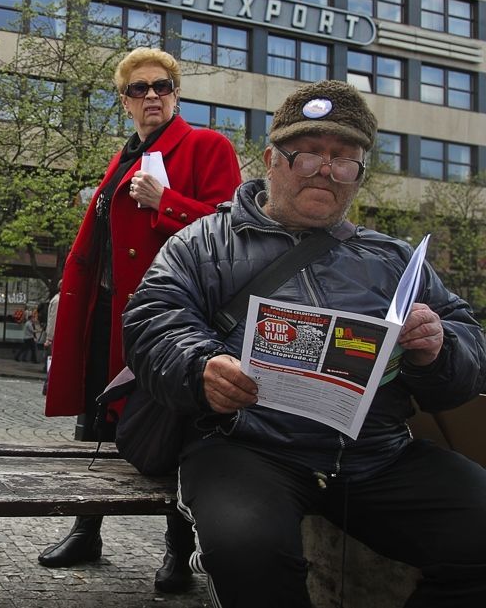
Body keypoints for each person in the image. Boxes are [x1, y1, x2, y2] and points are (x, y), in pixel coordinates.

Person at [123, 80, 486, 607]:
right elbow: (152, 320)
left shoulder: (394, 258)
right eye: (309, 154)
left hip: (376, 453)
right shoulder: (202, 241)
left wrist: (440, 346)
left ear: (358, 175)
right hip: (246, 447)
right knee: (250, 551)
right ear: (272, 159)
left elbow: (470, 354)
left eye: (345, 160)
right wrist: (201, 366)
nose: (326, 170)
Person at [40, 47, 242, 593]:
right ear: (125, 101)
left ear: (176, 94)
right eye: (139, 89)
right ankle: (87, 530)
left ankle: (179, 553)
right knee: (100, 421)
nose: (151, 96)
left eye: (162, 86)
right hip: (108, 312)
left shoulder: (206, 146)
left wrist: (166, 200)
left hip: (169, 318)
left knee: (169, 427)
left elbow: (232, 232)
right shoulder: (123, 156)